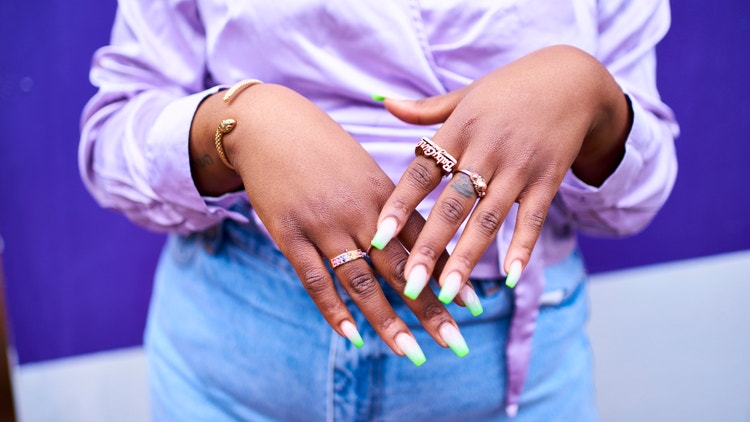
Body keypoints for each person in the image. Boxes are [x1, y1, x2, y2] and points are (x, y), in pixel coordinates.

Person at [79, 1, 678, 420]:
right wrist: (233, 124)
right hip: (238, 343)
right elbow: (110, 138)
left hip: (501, 370)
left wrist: (594, 99)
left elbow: (632, 203)